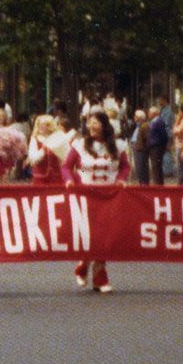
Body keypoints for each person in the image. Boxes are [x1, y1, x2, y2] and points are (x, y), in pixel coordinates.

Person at [62, 111, 129, 294]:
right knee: (89, 233)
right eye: (89, 123)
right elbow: (67, 166)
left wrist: (121, 179)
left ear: (104, 125)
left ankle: (97, 273)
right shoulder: (79, 145)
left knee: (105, 234)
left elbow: (125, 166)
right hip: (86, 195)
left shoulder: (118, 145)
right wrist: (70, 180)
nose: (91, 126)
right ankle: (86, 265)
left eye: (95, 123)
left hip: (109, 196)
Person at [26, 115, 64, 185]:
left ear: (50, 126)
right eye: (39, 124)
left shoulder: (58, 139)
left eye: (44, 124)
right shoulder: (35, 139)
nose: (40, 126)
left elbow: (64, 159)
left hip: (57, 177)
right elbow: (33, 160)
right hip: (40, 177)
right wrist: (43, 150)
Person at [146, 106, 168, 184]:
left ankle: (158, 184)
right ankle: (158, 183)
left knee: (156, 167)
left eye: (149, 113)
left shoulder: (159, 121)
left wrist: (162, 146)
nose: (148, 114)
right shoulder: (153, 121)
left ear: (154, 113)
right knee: (155, 167)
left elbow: (164, 135)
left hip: (157, 147)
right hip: (153, 147)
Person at [129, 109, 150, 185]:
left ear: (139, 117)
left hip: (141, 149)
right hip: (136, 148)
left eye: (136, 116)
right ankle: (142, 183)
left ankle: (144, 184)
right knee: (139, 168)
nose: (134, 117)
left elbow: (147, 138)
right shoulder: (138, 126)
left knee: (141, 168)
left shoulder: (144, 126)